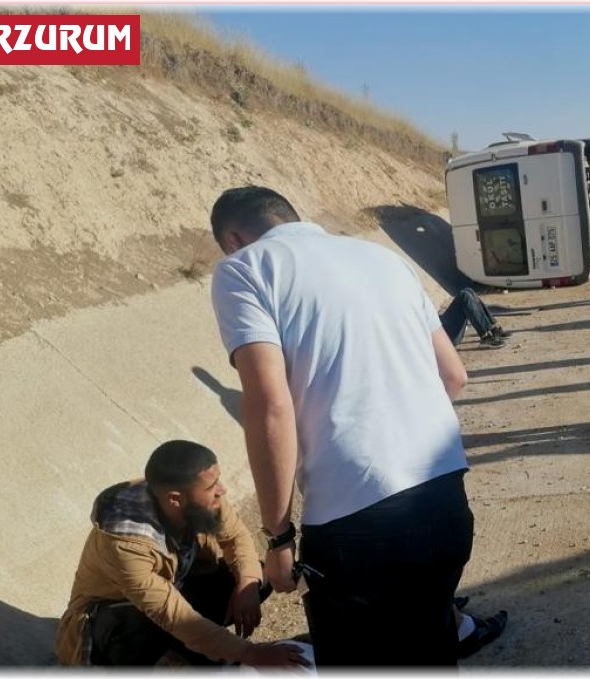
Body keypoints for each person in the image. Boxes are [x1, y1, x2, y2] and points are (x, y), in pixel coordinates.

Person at [209, 186, 504, 665]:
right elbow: (453, 375)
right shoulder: (382, 259)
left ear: (234, 238)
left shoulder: (244, 269)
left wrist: (278, 537)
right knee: (430, 651)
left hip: (358, 524)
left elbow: (269, 406)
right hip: (444, 497)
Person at [54, 440, 306, 668]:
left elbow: (236, 537)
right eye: (212, 486)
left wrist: (248, 583)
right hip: (112, 623)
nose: (223, 490)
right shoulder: (124, 546)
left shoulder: (199, 497)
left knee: (256, 575)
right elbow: (173, 615)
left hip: (173, 591)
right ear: (175, 499)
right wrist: (252, 654)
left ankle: (193, 649)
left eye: (218, 480)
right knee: (144, 624)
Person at [440, 287, 512, 349]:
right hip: (445, 337)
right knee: (464, 296)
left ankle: (493, 328)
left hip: (443, 328)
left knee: (468, 290)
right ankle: (485, 336)